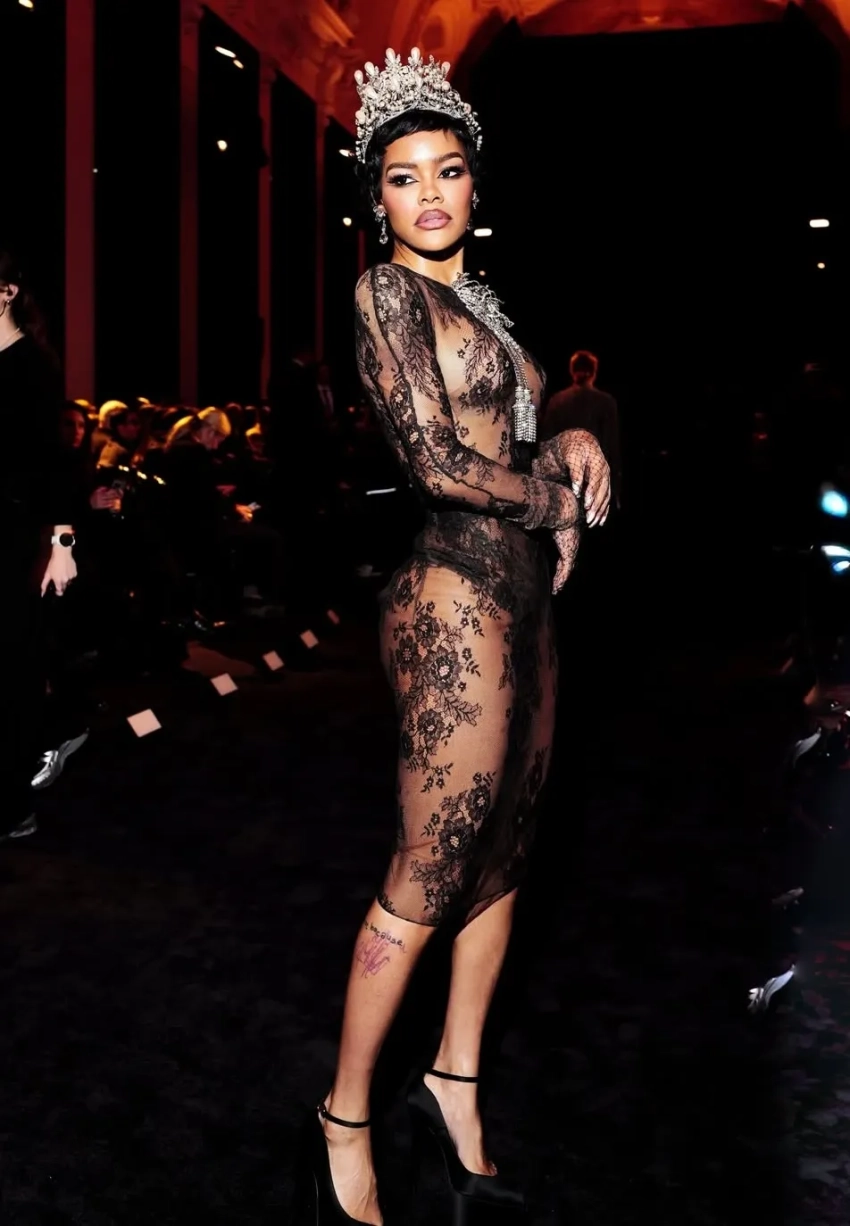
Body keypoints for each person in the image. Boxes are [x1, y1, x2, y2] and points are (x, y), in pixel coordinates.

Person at [298, 49, 610, 1226]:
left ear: (475, 183)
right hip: (450, 596)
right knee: (430, 867)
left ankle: (455, 1083)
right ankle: (343, 1118)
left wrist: (568, 439)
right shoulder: (386, 293)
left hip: (524, 600)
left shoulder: (484, 306)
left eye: (446, 170)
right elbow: (434, 460)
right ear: (376, 198)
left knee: (504, 856)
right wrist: (551, 495)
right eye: (401, 177)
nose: (426, 193)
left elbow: (511, 430)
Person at [0, 249, 78, 840]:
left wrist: (62, 543)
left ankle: (11, 805)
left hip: (16, 535)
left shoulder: (33, 365)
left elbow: (55, 463)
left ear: (6, 292)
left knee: (13, 667)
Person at [543, 350, 621, 506]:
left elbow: (546, 441)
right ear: (594, 372)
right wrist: (615, 489)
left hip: (564, 479)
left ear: (572, 371)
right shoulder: (605, 402)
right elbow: (611, 446)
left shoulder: (557, 401)